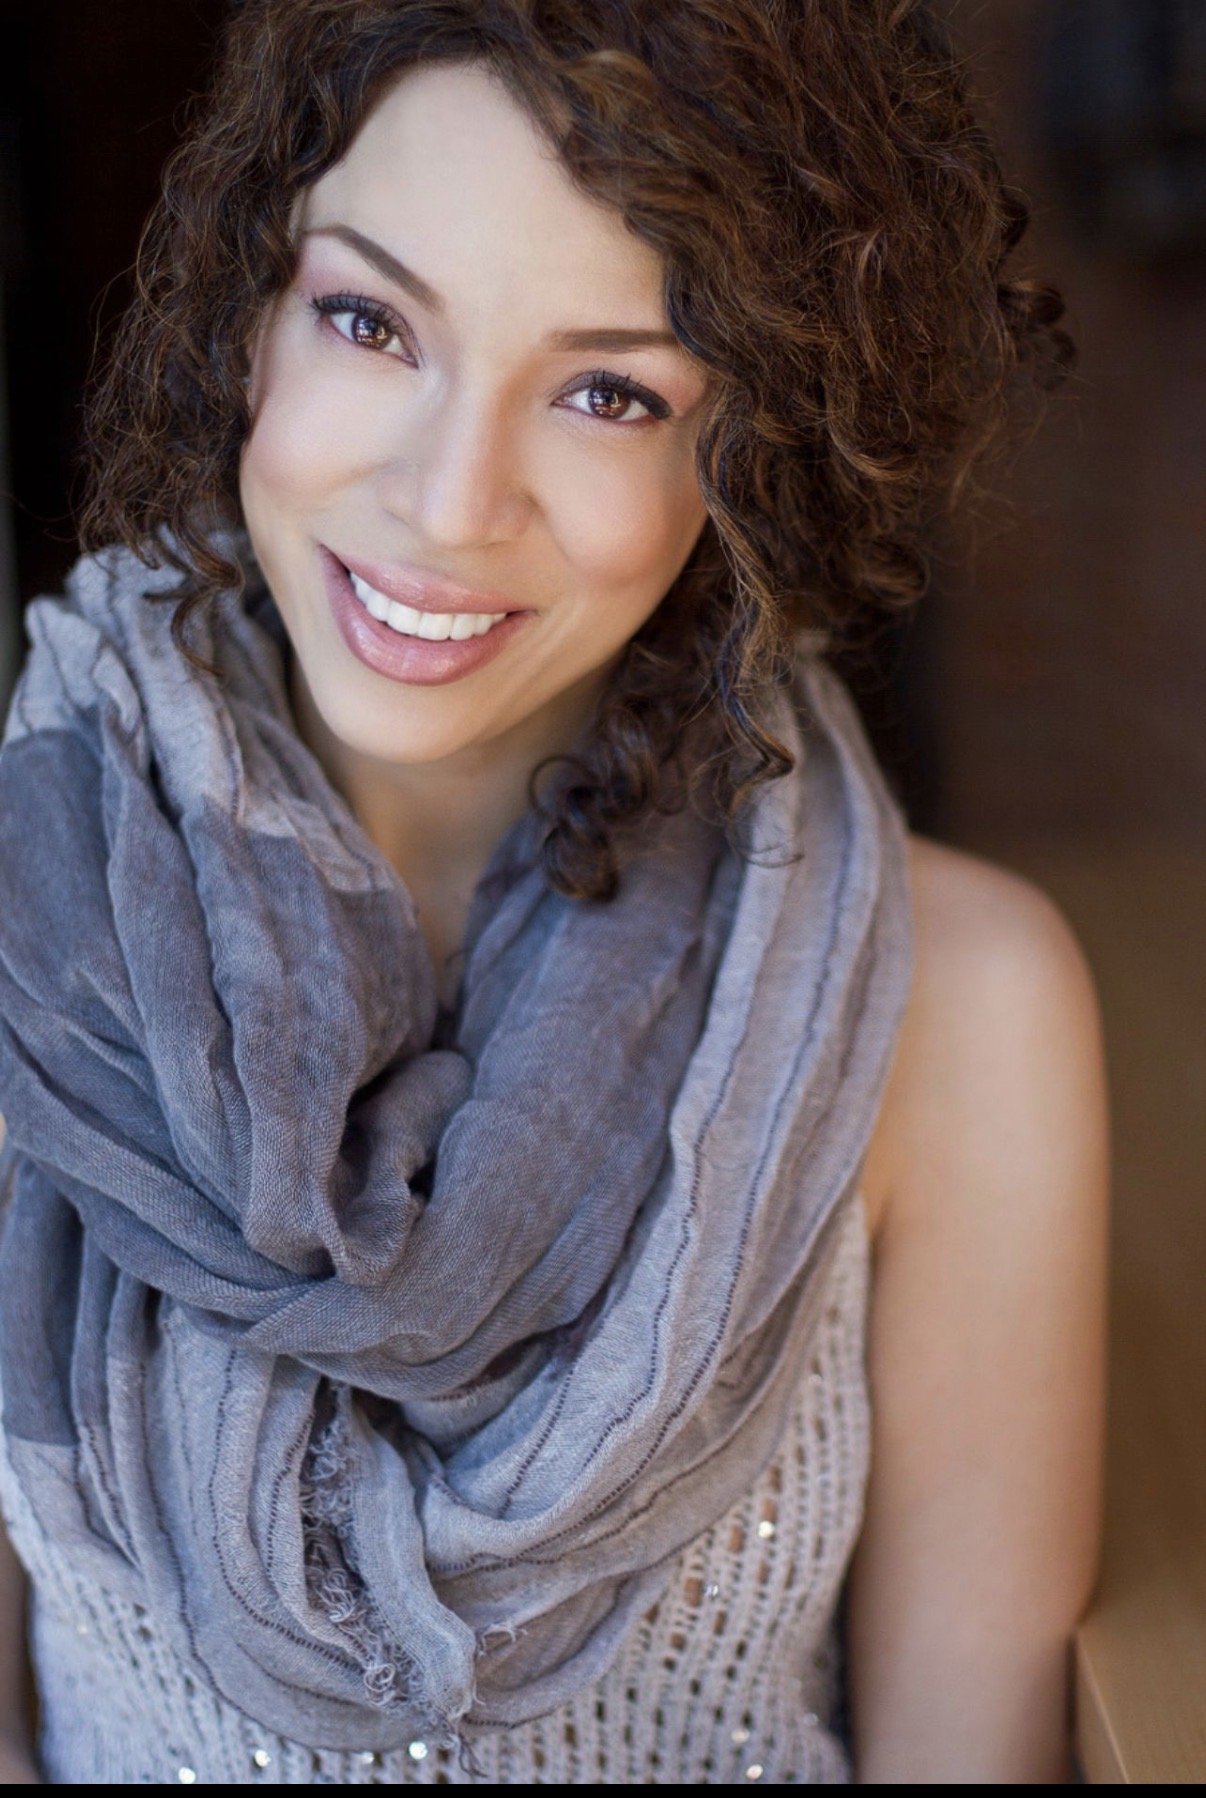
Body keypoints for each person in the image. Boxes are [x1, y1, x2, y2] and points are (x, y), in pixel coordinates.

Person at [0, 0, 1109, 1784]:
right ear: (249, 312)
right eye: (369, 319)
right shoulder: (30, 923)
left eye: (609, 391)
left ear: (755, 448)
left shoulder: (964, 1009)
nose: (448, 502)